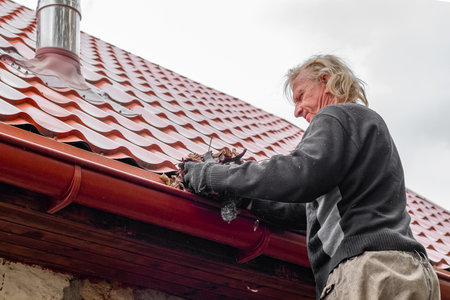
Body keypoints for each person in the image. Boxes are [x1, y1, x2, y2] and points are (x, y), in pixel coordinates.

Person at [183, 54, 440, 300]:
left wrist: (214, 175)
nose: (296, 111)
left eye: (301, 96)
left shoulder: (337, 115)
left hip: (370, 271)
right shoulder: (369, 132)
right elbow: (308, 210)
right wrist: (248, 200)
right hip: (415, 273)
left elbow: (299, 173)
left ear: (326, 81)